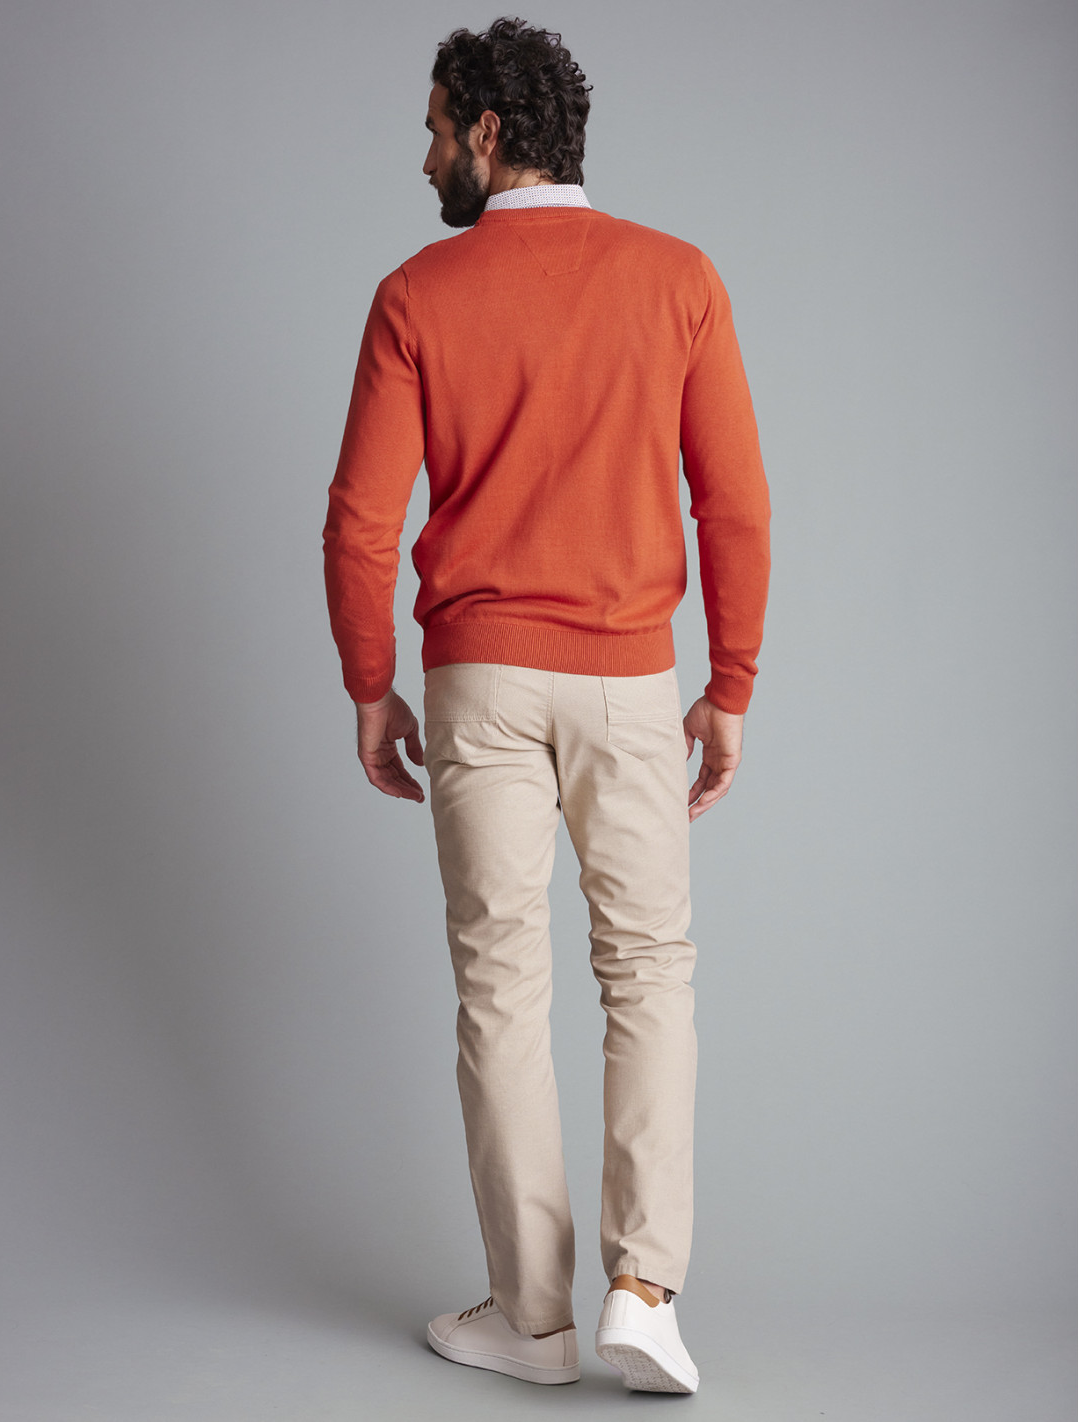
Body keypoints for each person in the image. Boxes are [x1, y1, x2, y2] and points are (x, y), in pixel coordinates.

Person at [322, 15, 771, 1395]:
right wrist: (730, 686)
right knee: (649, 971)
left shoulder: (416, 295)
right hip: (632, 676)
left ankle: (533, 1319)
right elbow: (736, 504)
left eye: (433, 131)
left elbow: (359, 524)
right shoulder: (678, 277)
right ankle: (645, 1291)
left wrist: (370, 687)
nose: (423, 160)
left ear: (489, 131)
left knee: (501, 985)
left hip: (477, 680)